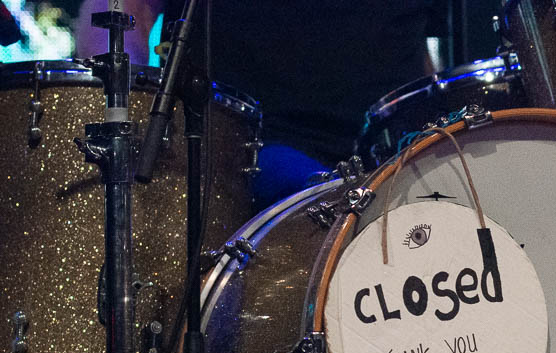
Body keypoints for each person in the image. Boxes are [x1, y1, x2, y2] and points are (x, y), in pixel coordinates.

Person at [75, 0, 446, 207]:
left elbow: (416, 58)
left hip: (393, 158)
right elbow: (118, 12)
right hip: (248, 155)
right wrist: (130, 112)